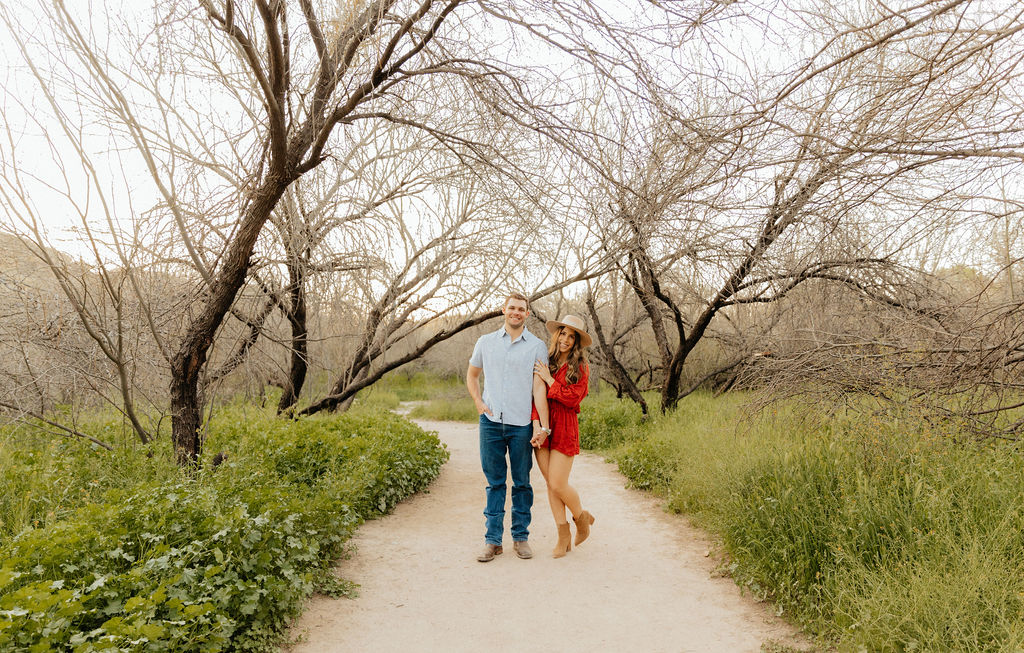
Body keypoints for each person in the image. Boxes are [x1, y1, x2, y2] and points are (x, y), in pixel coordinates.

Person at [466, 293, 550, 563]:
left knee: (522, 483)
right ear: (504, 310)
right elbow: (472, 375)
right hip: (490, 424)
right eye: (511, 308)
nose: (516, 312)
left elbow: (539, 387)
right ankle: (492, 542)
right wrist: (478, 402)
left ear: (527, 314)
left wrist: (542, 425)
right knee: (495, 483)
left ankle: (520, 537)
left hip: (521, 424)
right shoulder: (485, 342)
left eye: (521, 309)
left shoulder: (537, 346)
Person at [530, 314, 595, 558]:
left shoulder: (581, 367)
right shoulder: (545, 360)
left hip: (565, 426)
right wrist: (537, 424)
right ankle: (563, 535)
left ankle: (581, 519)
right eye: (563, 333)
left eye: (571, 336)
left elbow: (573, 398)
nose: (566, 339)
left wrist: (549, 380)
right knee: (550, 484)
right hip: (544, 426)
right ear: (556, 334)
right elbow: (535, 395)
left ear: (576, 341)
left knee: (558, 482)